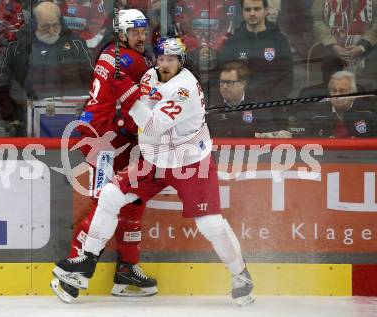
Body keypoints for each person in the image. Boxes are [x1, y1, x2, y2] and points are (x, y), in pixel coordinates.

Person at [53, 37, 255, 306]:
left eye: (171, 59)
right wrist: (130, 99)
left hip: (190, 161)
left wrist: (126, 94)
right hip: (155, 159)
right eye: (161, 59)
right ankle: (86, 263)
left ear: (180, 61)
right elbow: (141, 110)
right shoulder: (149, 76)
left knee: (210, 224)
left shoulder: (184, 89)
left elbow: (152, 126)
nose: (164, 64)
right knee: (110, 195)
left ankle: (240, 274)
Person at [50, 8, 157, 303]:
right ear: (121, 33)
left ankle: (126, 270)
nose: (140, 36)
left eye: (142, 30)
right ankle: (74, 272)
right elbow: (143, 106)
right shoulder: (134, 61)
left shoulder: (109, 52)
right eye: (134, 31)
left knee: (133, 199)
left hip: (111, 136)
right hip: (105, 141)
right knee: (105, 206)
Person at [0, 1, 94, 134]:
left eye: (55, 25)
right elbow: (4, 83)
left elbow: (90, 81)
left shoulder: (75, 44)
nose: (52, 30)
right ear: (35, 24)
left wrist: (85, 112)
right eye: (46, 26)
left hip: (70, 115)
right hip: (26, 116)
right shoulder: (18, 44)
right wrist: (12, 117)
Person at [218, 0, 293, 103]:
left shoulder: (279, 40)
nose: (252, 13)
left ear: (265, 11)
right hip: (240, 106)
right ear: (243, 12)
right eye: (248, 9)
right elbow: (223, 78)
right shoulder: (232, 43)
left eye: (257, 9)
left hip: (272, 108)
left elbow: (287, 79)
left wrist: (271, 103)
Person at [208, 61, 291, 138]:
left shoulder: (258, 106)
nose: (224, 86)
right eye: (222, 82)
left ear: (243, 84)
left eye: (229, 82)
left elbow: (268, 138)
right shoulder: (211, 104)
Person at [298, 70, 377, 137]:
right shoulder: (314, 114)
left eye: (342, 91)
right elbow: (303, 138)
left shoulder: (369, 113)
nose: (337, 94)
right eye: (333, 90)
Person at [311, 0, 377, 76]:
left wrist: (362, 47)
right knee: (334, 84)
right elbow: (318, 20)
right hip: (331, 58)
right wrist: (332, 45)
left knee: (365, 84)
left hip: (369, 56)